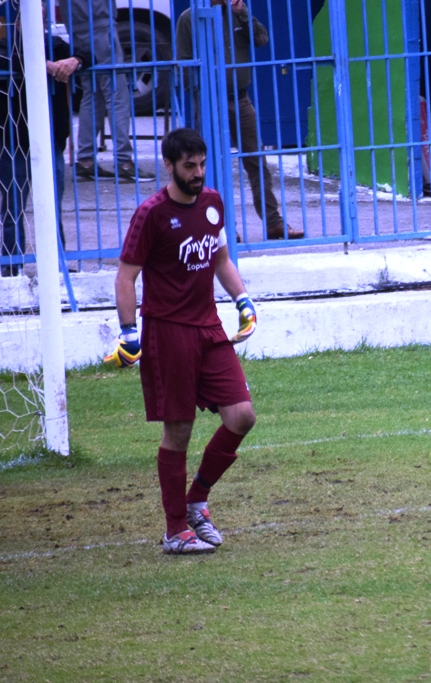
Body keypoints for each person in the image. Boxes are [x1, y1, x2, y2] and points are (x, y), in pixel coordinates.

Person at [106, 127, 259, 554]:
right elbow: (125, 276)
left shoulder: (212, 203)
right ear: (169, 165)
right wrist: (129, 333)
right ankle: (175, 529)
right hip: (168, 333)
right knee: (179, 431)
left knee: (242, 416)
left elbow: (221, 259)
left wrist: (243, 300)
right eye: (189, 166)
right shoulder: (152, 214)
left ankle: (197, 500)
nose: (198, 173)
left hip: (209, 329)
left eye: (202, 164)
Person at [176, 0, 303, 241]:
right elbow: (184, 63)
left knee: (256, 160)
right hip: (210, 100)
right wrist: (200, 96)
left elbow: (261, 39)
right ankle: (221, 226)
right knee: (213, 165)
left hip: (240, 98)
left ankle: (273, 222)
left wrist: (242, 13)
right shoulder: (189, 18)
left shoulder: (237, 13)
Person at [0, 20, 89, 276]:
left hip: (50, 140)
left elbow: (89, 53)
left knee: (52, 208)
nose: (38, 21)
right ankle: (11, 269)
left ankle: (56, 266)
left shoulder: (54, 45)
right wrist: (42, 65)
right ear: (18, 23)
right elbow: (7, 61)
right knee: (13, 209)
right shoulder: (5, 45)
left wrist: (75, 61)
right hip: (14, 141)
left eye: (42, 18)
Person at [59, 0, 152, 181]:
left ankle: (85, 160)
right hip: (100, 24)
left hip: (76, 26)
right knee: (117, 94)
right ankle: (124, 162)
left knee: (92, 94)